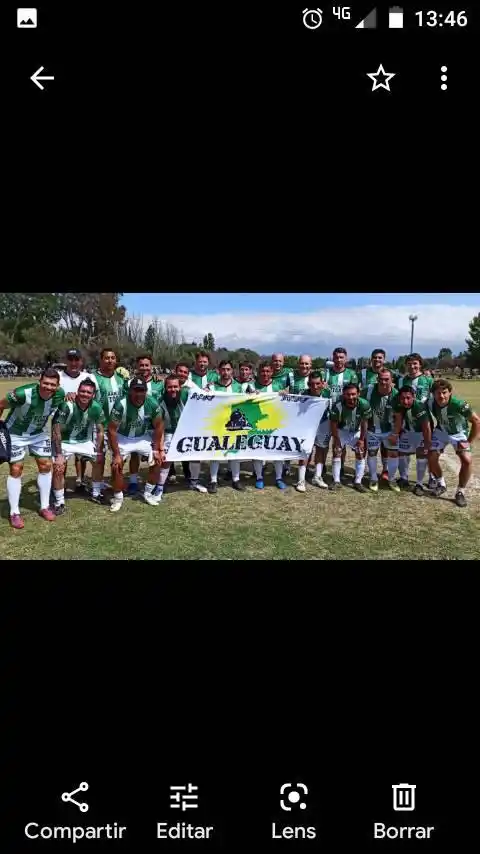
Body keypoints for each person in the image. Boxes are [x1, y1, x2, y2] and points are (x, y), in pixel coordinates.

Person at [0, 368, 65, 528]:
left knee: (46, 466)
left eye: (52, 385)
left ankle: (44, 507)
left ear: (57, 386)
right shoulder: (23, 393)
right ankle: (14, 512)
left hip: (38, 433)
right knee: (16, 469)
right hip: (15, 433)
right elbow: (1, 404)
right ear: (40, 381)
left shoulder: (59, 394)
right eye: (46, 383)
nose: (48, 387)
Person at [107, 378, 165, 512]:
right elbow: (111, 429)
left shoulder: (152, 403)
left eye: (142, 390)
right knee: (116, 466)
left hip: (142, 437)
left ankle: (148, 493)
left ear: (146, 391)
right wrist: (116, 454)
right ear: (130, 391)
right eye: (136, 390)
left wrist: (156, 449)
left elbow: (159, 425)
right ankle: (118, 498)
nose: (139, 394)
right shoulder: (121, 403)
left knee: (157, 460)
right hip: (123, 437)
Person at [51, 379, 105, 514]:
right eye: (82, 391)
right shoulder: (66, 405)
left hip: (84, 441)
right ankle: (59, 501)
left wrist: (98, 450)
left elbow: (100, 431)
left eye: (88, 392)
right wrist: (58, 454)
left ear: (93, 395)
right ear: (77, 392)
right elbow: (56, 429)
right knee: (59, 466)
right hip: (66, 441)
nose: (85, 394)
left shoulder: (96, 407)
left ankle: (96, 493)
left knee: (99, 460)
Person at [427, 379, 480, 507]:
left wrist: (468, 442)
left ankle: (460, 492)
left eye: (444, 392)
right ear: (433, 394)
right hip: (441, 432)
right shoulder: (430, 403)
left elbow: (477, 421)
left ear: (450, 392)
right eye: (438, 393)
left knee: (467, 460)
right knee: (431, 457)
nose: (441, 396)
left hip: (458, 433)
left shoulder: (459, 404)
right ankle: (441, 484)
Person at [155, 374, 207, 496]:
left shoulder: (186, 393)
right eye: (170, 387)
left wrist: (206, 392)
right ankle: (160, 487)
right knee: (166, 459)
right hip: (169, 433)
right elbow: (160, 428)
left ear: (180, 387)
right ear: (165, 388)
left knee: (195, 456)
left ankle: (194, 483)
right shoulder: (160, 402)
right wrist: (161, 448)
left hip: (186, 432)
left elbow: (205, 396)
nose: (173, 389)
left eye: (175, 387)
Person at [206, 360, 252, 492]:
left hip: (234, 425)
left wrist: (254, 394)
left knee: (235, 450)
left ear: (232, 371)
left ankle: (236, 479)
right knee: (216, 451)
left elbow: (256, 395)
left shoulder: (240, 387)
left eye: (228, 369)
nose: (225, 372)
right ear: (219, 371)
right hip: (217, 423)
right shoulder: (212, 387)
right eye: (223, 369)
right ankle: (213, 480)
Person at [125, 354, 165, 495]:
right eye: (141, 365)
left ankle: (154, 482)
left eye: (146, 365)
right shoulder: (130, 383)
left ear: (151, 366)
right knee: (135, 454)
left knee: (157, 453)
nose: (144, 368)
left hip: (155, 423)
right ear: (137, 367)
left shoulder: (159, 382)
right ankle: (134, 482)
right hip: (137, 423)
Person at [57, 348, 95, 491]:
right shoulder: (58, 377)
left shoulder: (88, 377)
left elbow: (94, 395)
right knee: (63, 455)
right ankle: (61, 485)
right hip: (63, 422)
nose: (73, 362)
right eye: (70, 359)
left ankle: (80, 480)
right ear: (66, 360)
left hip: (83, 421)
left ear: (81, 361)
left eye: (76, 359)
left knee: (81, 455)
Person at [91, 348, 126, 499]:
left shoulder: (121, 378)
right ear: (101, 360)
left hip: (118, 427)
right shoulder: (93, 378)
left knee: (117, 458)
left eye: (112, 357)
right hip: (100, 426)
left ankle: (115, 484)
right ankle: (95, 491)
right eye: (106, 358)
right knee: (99, 458)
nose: (110, 360)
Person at [322, 347, 359, 482]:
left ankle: (340, 466)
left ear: (346, 358)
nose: (338, 360)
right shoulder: (326, 373)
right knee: (324, 442)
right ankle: (322, 466)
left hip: (344, 414)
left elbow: (354, 393)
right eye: (336, 357)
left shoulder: (351, 374)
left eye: (341, 357)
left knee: (339, 442)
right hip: (326, 413)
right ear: (333, 358)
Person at [329, 384, 371, 493]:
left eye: (353, 394)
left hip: (356, 431)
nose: (350, 397)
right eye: (348, 394)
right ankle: (336, 481)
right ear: (343, 394)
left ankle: (358, 481)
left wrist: (361, 439)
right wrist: (336, 439)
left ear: (358, 394)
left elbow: (364, 423)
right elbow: (333, 423)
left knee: (360, 453)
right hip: (342, 430)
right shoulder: (337, 405)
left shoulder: (364, 404)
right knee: (337, 451)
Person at [252, 362, 288, 489]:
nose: (265, 374)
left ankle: (278, 478)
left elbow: (286, 402)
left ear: (272, 372)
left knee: (277, 450)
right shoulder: (252, 386)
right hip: (257, 423)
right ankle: (259, 477)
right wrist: (250, 395)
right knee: (257, 450)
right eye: (262, 371)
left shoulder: (278, 385)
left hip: (274, 422)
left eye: (268, 371)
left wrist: (285, 395)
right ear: (258, 372)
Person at [364, 369, 400, 493]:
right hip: (372, 430)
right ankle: (373, 478)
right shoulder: (368, 391)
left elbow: (399, 416)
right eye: (381, 379)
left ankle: (391, 479)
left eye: (387, 379)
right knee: (372, 453)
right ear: (377, 379)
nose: (383, 382)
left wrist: (395, 433)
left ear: (392, 380)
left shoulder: (396, 395)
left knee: (394, 454)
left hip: (389, 430)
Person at [392, 386, 432, 496]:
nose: (405, 401)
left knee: (421, 455)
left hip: (421, 433)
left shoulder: (419, 406)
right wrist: (395, 434)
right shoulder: (399, 405)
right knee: (402, 452)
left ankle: (419, 484)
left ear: (413, 397)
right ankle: (404, 478)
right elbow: (399, 420)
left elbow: (426, 427)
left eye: (408, 398)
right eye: (403, 398)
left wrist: (427, 444)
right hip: (408, 431)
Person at [296, 372, 329, 492]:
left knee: (321, 450)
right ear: (308, 384)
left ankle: (317, 476)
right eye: (312, 384)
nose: (315, 387)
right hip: (307, 425)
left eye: (318, 384)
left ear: (322, 383)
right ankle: (301, 480)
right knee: (305, 450)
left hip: (323, 424)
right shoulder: (303, 394)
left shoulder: (327, 393)